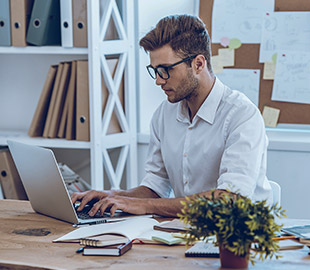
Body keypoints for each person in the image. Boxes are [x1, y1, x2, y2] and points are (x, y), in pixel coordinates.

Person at [71, 14, 272, 217]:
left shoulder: (242, 115)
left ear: (198, 64)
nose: (159, 81)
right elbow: (155, 188)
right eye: (155, 70)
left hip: (239, 238)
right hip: (183, 232)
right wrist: (113, 196)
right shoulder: (164, 115)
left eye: (166, 70)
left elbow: (229, 201)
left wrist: (145, 206)